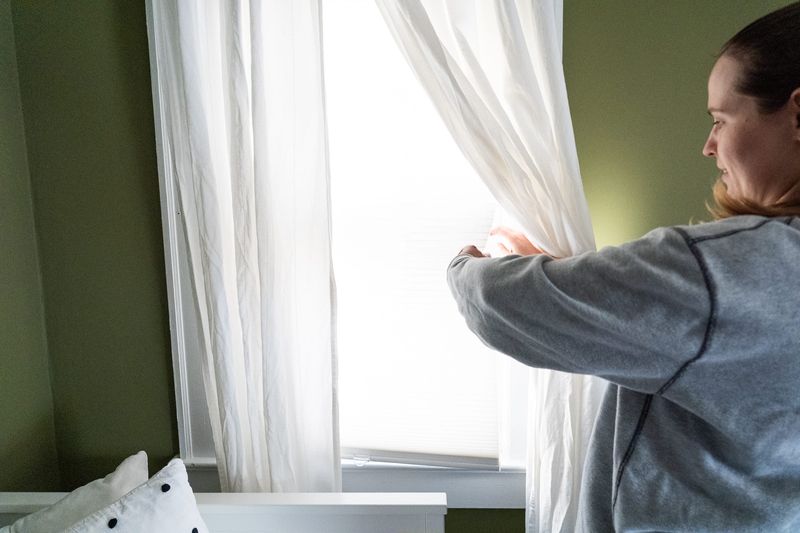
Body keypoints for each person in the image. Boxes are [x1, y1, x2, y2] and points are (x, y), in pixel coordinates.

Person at [447, 3, 800, 532]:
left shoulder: (723, 277)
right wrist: (569, 271)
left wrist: (467, 264)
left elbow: (503, 305)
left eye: (720, 120)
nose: (708, 147)